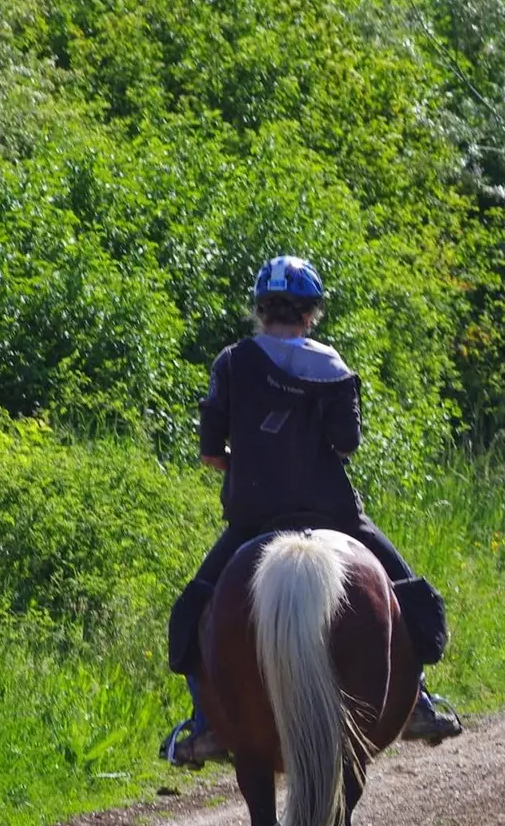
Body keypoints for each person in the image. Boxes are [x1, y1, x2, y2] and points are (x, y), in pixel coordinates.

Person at [159, 255, 463, 768]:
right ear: (311, 313)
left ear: (260, 309)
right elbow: (346, 445)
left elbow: (212, 454)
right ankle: (419, 704)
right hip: (334, 516)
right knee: (405, 593)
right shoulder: (333, 367)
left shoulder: (231, 363)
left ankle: (205, 724)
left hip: (254, 519)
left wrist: (251, 457)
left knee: (194, 613)